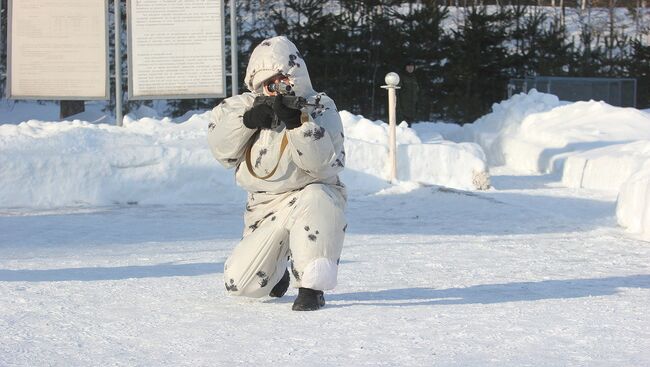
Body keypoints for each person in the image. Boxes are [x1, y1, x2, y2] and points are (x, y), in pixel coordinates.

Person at [207, 36, 347, 311]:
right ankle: (275, 273)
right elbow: (221, 150)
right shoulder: (240, 107)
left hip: (308, 198)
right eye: (267, 84)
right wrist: (246, 122)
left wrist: (298, 124)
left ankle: (311, 287)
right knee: (241, 284)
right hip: (262, 207)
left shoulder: (319, 106)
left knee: (318, 196)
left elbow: (324, 165)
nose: (275, 88)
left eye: (281, 79)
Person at [397, 60, 420, 126]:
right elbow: (396, 93)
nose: (410, 68)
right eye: (408, 66)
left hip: (410, 111)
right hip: (402, 111)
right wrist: (398, 109)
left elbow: (416, 93)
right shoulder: (401, 77)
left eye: (412, 66)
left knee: (408, 131)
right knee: (401, 130)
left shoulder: (414, 78)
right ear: (405, 67)